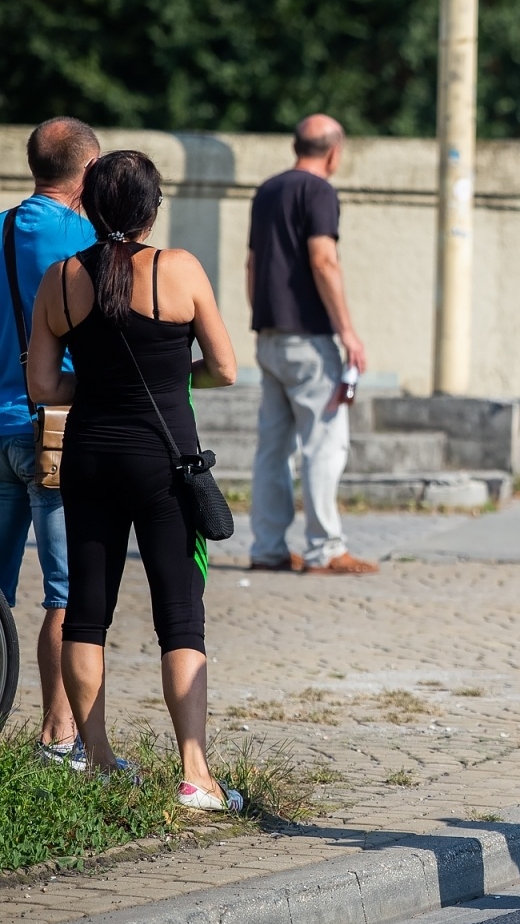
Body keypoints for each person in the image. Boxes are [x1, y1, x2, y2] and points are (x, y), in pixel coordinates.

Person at [27, 150, 243, 809]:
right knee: (180, 615)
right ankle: (195, 774)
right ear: (152, 209)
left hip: (89, 457)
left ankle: (96, 758)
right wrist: (173, 376)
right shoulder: (179, 269)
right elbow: (225, 368)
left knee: (86, 610)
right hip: (163, 460)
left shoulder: (61, 278)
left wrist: (99, 387)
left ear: (90, 207)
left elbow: (44, 386)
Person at [0, 118, 98, 766]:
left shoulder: (1, 228)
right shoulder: (86, 241)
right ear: (87, 173)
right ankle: (58, 737)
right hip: (53, 431)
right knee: (67, 591)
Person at [246, 114, 376, 575]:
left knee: (272, 449)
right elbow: (324, 260)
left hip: (269, 335)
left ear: (296, 145)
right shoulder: (319, 191)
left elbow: (252, 264)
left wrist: (262, 319)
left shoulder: (267, 191)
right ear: (334, 151)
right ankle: (326, 548)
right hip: (309, 338)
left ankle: (267, 548)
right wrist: (348, 332)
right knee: (324, 444)